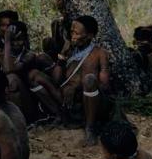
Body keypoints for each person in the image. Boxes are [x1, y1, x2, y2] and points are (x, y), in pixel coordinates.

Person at [40, 15, 111, 146]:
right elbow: (56, 80)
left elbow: (105, 86)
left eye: (77, 33)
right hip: (68, 101)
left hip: (90, 100)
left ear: (90, 36)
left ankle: (90, 128)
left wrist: (78, 87)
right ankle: (58, 116)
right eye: (72, 32)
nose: (73, 36)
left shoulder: (100, 53)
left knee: (89, 79)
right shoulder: (69, 52)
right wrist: (62, 57)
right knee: (36, 76)